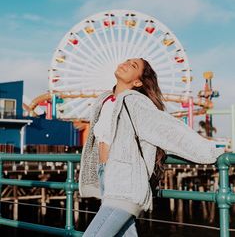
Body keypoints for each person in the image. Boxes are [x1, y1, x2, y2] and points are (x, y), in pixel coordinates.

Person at [79, 58, 224, 237]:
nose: (125, 63)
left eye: (133, 66)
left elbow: (168, 130)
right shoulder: (105, 101)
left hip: (124, 183)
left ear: (138, 82)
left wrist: (211, 151)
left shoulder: (134, 102)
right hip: (106, 177)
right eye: (127, 61)